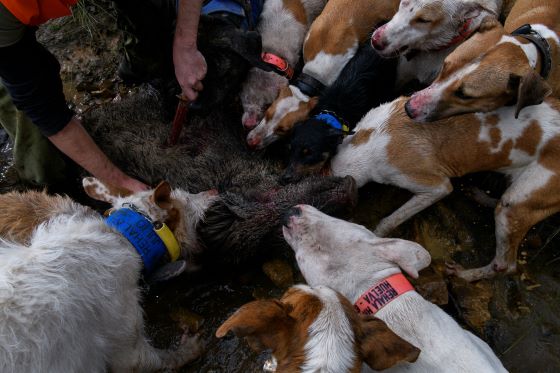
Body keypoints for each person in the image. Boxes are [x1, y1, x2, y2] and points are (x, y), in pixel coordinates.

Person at [0, 0, 207, 191]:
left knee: (151, 21)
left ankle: (141, 62)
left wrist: (186, 45)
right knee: (42, 156)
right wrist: (118, 182)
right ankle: (52, 186)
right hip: (8, 32)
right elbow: (44, 110)